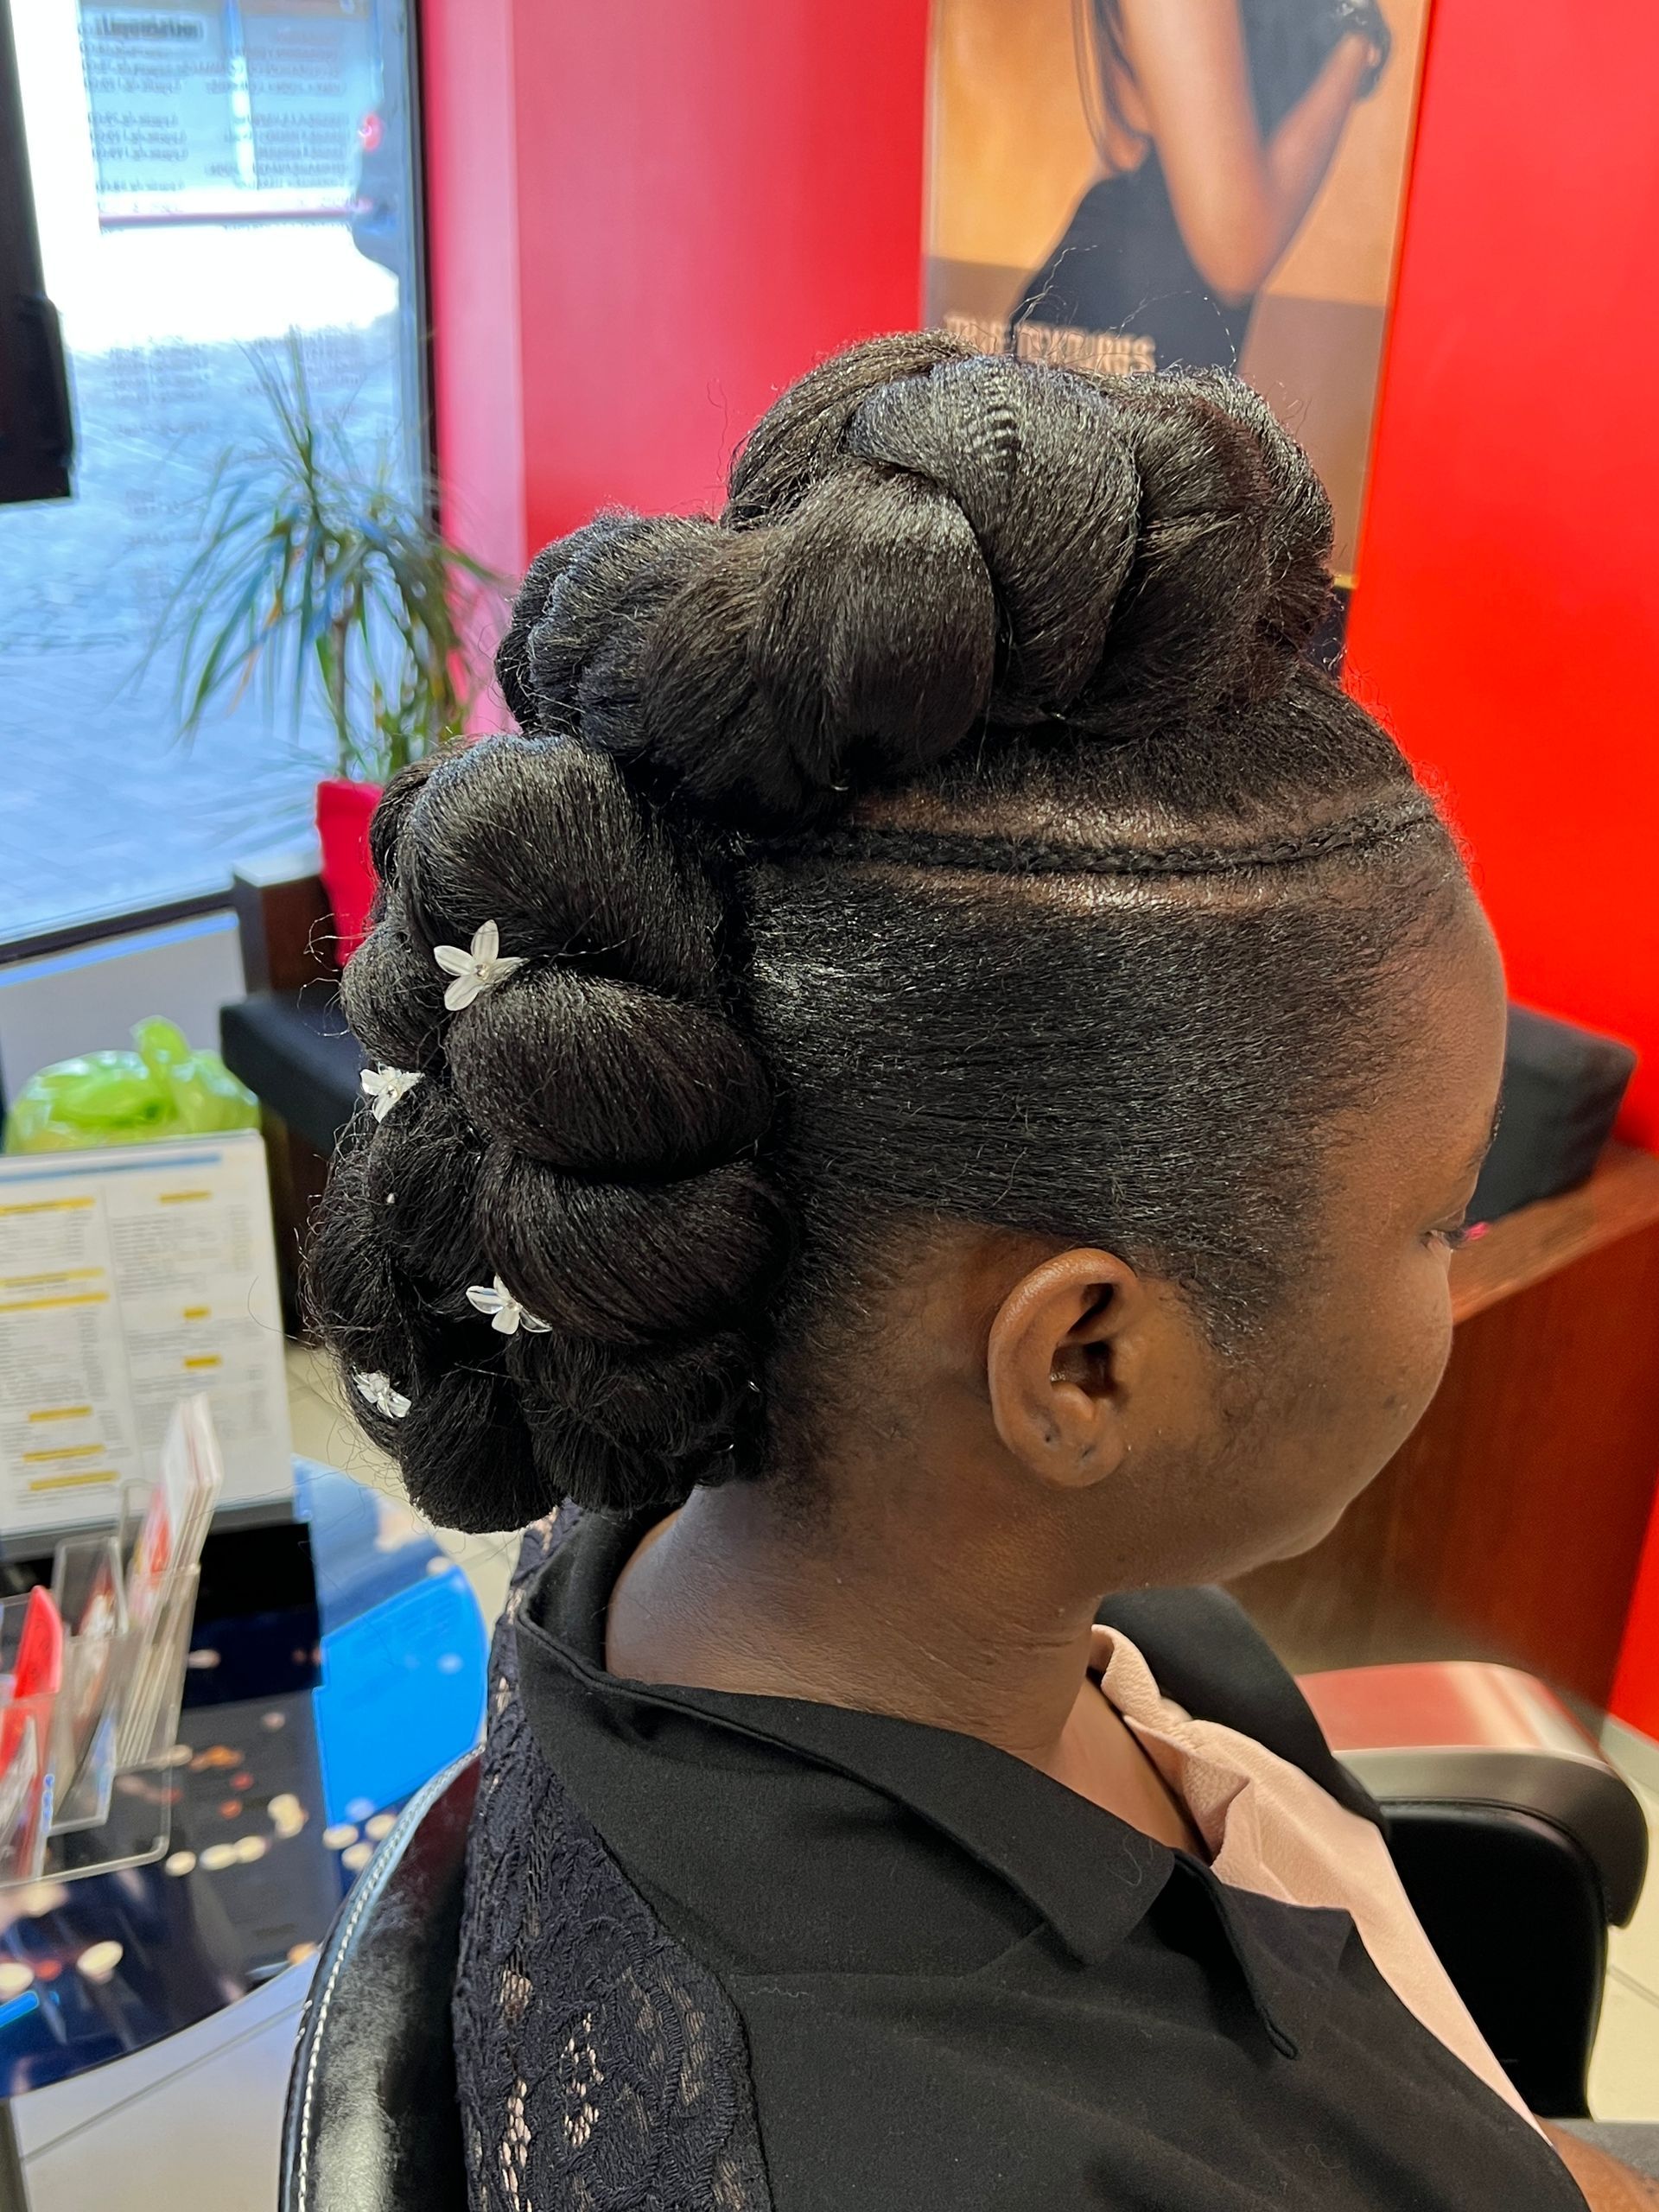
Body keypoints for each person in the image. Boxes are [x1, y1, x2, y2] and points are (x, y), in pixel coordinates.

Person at [311, 335, 1655, 2209]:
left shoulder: (702, 1550)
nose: (1472, 1248)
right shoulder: (960, 2151)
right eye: (1439, 1216)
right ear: (1083, 1361)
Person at [1015, 0, 1393, 369]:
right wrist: (1356, 43)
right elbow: (1237, 260)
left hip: (1140, 321)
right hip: (1122, 324)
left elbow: (1125, 145)